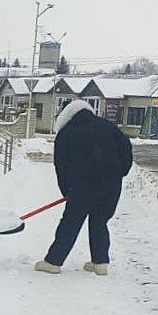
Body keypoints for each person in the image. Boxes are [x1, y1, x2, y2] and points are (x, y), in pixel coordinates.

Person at [35, 99, 133, 275]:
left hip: (83, 185)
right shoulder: (107, 126)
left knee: (71, 222)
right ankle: (100, 263)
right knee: (100, 221)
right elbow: (126, 149)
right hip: (112, 183)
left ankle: (53, 262)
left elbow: (61, 166)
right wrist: (119, 172)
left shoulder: (66, 133)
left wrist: (67, 190)